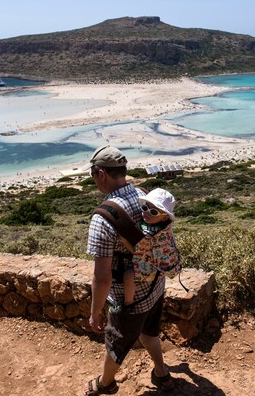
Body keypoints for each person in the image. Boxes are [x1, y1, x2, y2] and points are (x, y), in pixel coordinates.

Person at [83, 145, 174, 395]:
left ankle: (106, 384)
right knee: (149, 330)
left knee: (116, 344)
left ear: (101, 173)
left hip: (129, 297)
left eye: (93, 175)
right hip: (155, 284)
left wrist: (95, 313)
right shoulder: (145, 195)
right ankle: (162, 373)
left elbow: (102, 278)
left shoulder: (102, 218)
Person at [122, 188, 177, 308]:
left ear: (164, 217)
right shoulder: (165, 227)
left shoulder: (150, 234)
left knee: (128, 275)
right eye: (145, 207)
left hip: (153, 268)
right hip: (159, 263)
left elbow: (136, 252)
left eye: (154, 212)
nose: (147, 213)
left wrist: (124, 240)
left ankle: (128, 303)